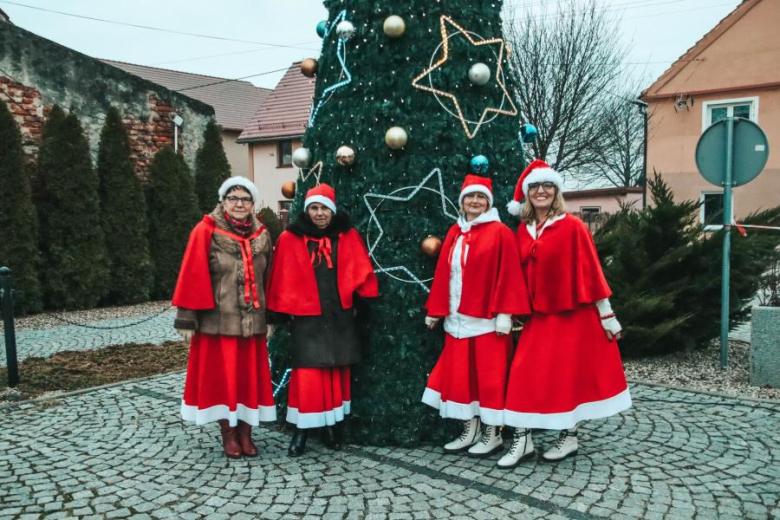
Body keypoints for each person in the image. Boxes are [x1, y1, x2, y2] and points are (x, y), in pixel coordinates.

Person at [499, 159, 631, 468]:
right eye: (535, 187)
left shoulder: (572, 226)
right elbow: (514, 277)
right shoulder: (522, 231)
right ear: (527, 193)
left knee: (567, 378)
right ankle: (523, 439)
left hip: (574, 315)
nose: (541, 191)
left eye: (547, 186)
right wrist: (509, 312)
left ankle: (568, 437)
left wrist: (607, 315)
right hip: (538, 317)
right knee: (523, 375)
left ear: (556, 191)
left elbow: (592, 271)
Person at [422, 175, 531, 457]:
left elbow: (509, 276)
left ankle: (492, 433)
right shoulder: (454, 232)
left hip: (487, 321)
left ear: (488, 202)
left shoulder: (500, 233)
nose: (475, 202)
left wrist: (506, 315)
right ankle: (468, 429)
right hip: (457, 320)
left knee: (489, 380)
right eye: (470, 197)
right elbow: (444, 275)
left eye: (481, 197)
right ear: (462, 201)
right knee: (461, 378)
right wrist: (436, 311)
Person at [266, 183, 378, 457]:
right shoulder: (291, 239)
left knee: (336, 372)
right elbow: (281, 277)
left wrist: (360, 302)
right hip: (307, 318)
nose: (319, 214)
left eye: (324, 208)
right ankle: (302, 431)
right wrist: (282, 312)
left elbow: (360, 269)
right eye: (314, 208)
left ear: (332, 211)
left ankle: (332, 427)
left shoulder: (346, 236)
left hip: (339, 315)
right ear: (307, 211)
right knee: (308, 375)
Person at [173, 176, 276, 459]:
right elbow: (192, 274)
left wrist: (271, 318)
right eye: (233, 198)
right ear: (223, 201)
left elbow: (271, 278)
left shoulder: (263, 234)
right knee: (224, 382)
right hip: (218, 324)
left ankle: (246, 433)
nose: (239, 204)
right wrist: (187, 318)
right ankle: (228, 434)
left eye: (245, 199)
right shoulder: (205, 231)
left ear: (253, 204)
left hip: (253, 323)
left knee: (248, 381)